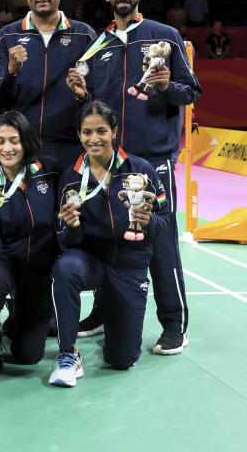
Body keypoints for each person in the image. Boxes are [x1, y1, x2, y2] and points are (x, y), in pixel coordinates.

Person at [66, 0, 201, 355]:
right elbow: (96, 106)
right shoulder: (99, 44)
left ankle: (174, 325)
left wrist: (165, 86)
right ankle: (102, 312)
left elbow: (191, 92)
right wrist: (80, 95)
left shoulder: (166, 36)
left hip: (154, 158)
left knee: (160, 243)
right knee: (108, 239)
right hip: (110, 163)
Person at [49, 100, 169, 387]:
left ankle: (115, 321)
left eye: (101, 131)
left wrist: (148, 221)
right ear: (78, 134)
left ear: (114, 131)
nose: (94, 139)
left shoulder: (141, 171)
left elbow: (164, 223)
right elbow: (64, 240)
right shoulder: (70, 179)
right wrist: (72, 227)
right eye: (87, 132)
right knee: (65, 268)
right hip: (90, 261)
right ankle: (68, 354)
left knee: (121, 360)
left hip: (129, 266)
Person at [0, 111, 60, 370]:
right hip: (3, 262)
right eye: (0, 141)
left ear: (26, 141)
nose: (7, 148)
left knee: (27, 356)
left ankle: (18, 317)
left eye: (14, 140)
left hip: (38, 269)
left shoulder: (49, 171)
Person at [0, 0, 97, 167]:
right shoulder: (7, 35)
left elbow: (95, 93)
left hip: (72, 145)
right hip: (22, 147)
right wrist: (11, 72)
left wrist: (82, 95)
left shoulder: (84, 34)